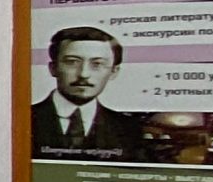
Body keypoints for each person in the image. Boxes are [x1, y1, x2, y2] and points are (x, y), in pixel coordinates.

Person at [30, 26, 146, 161]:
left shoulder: (130, 129)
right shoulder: (24, 118)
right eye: (72, 62)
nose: (84, 74)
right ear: (53, 68)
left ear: (114, 71)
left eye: (97, 64)